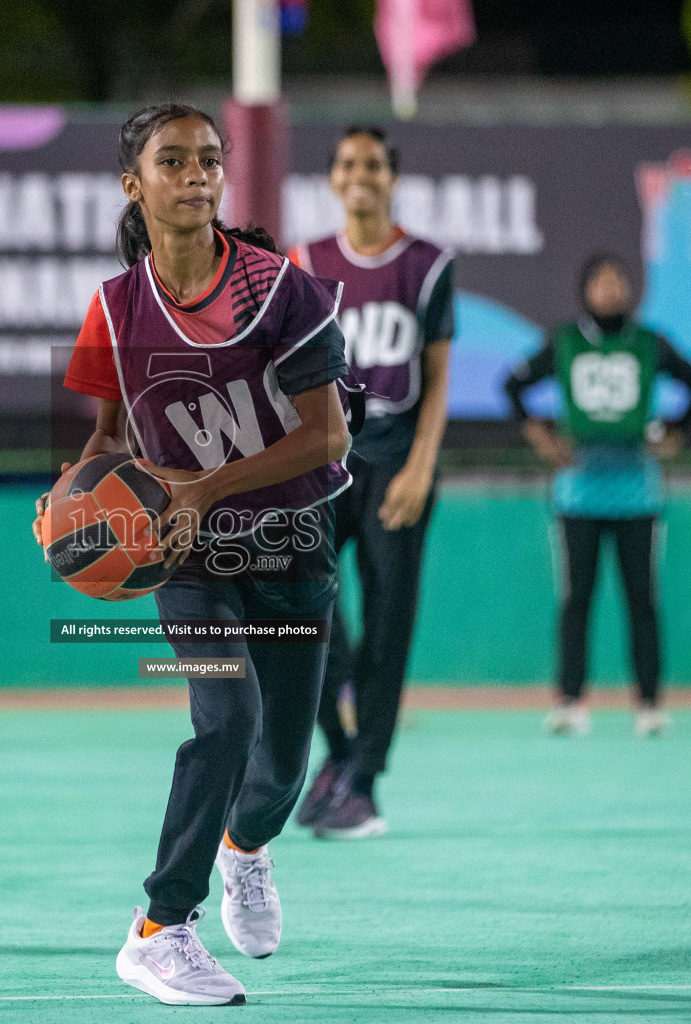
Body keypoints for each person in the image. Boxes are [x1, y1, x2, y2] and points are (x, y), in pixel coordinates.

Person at [35, 103, 351, 1006]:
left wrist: (207, 485)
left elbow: (327, 435)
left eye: (210, 159)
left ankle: (245, 850)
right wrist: (69, 505)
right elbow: (108, 437)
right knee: (227, 718)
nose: (198, 174)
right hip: (187, 555)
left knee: (283, 765)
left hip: (291, 541)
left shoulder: (276, 288)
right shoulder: (114, 305)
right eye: (173, 161)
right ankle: (161, 927)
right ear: (135, 184)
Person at [288, 126, 454, 840]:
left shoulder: (427, 263)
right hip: (323, 461)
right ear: (333, 179)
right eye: (349, 163)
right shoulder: (305, 262)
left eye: (375, 164)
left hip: (394, 456)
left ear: (392, 178)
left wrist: (420, 465)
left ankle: (364, 781)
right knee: (308, 611)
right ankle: (342, 753)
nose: (362, 174)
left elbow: (441, 379)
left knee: (391, 625)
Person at [502, 255, 691, 738]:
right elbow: (513, 386)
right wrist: (543, 439)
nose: (612, 289)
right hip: (579, 496)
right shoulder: (565, 342)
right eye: (602, 281)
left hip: (638, 494)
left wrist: (675, 432)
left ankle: (649, 704)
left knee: (642, 599)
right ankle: (571, 702)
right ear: (585, 290)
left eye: (620, 280)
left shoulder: (650, 343)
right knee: (577, 600)